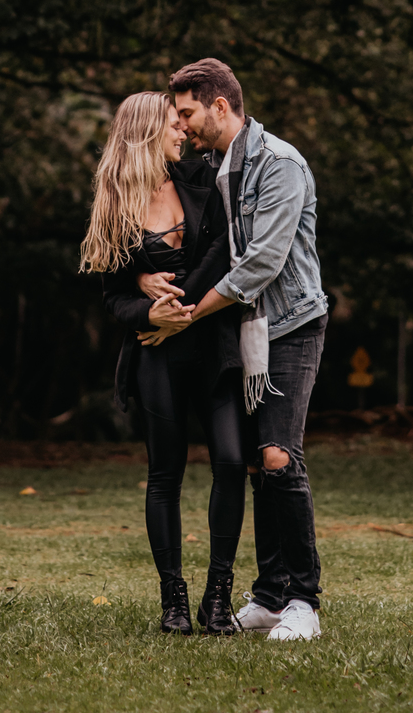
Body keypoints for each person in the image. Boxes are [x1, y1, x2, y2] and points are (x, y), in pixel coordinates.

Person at [142, 58, 329, 642]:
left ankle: (303, 600)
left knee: (278, 456)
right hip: (245, 330)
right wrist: (142, 281)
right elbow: (162, 230)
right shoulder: (215, 168)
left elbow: (262, 262)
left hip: (291, 325)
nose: (181, 125)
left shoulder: (279, 164)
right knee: (253, 464)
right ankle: (269, 596)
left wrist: (188, 315)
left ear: (220, 106)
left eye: (188, 113)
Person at [80, 90, 245, 637]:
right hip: (156, 354)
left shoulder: (202, 179)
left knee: (230, 462)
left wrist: (181, 310)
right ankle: (173, 601)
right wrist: (147, 308)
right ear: (148, 131)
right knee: (164, 476)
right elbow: (113, 298)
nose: (183, 132)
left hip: (213, 346)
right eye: (174, 124)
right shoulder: (116, 205)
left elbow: (224, 251)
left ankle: (217, 598)